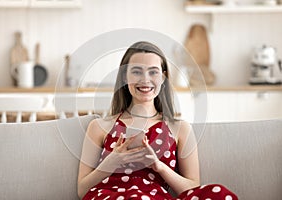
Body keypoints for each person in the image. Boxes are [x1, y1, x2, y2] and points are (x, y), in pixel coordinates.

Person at [77, 41, 238, 200]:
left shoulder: (180, 128)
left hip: (156, 197)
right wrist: (111, 163)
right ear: (125, 77)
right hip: (109, 197)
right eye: (137, 71)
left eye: (153, 72)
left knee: (218, 193)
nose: (145, 79)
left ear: (163, 78)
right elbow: (82, 190)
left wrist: (158, 166)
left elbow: (193, 190)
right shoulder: (99, 127)